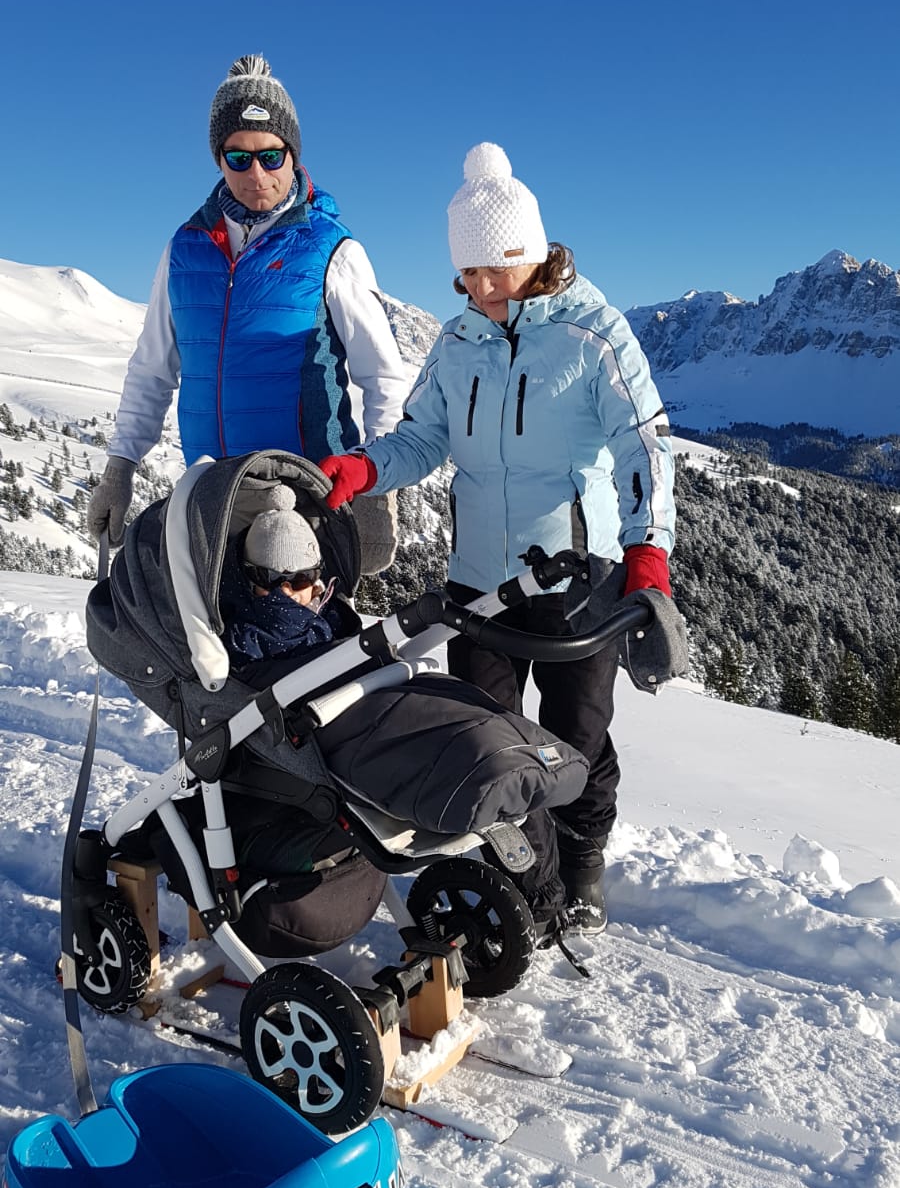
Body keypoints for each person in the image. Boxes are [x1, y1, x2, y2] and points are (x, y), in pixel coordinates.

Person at [319, 142, 677, 938]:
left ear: (530, 254)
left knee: (574, 738)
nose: (478, 288)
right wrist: (366, 468)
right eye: (466, 274)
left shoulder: (593, 336)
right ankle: (526, 879)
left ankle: (582, 862)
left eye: (492, 270)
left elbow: (643, 445)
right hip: (479, 579)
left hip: (578, 582)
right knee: (484, 737)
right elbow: (422, 437)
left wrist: (647, 549)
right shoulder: (457, 343)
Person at [88, 54, 408, 571]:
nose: (256, 173)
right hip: (211, 494)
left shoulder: (332, 249)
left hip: (306, 495)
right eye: (238, 157)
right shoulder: (185, 249)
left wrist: (376, 485)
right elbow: (152, 369)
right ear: (219, 159)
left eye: (271, 156)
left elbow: (383, 378)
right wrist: (120, 467)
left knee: (303, 625)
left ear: (293, 154)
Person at [221, 485, 340, 671]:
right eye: (269, 578)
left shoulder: (335, 618)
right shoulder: (242, 637)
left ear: (316, 579)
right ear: (249, 579)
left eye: (301, 578)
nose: (286, 591)